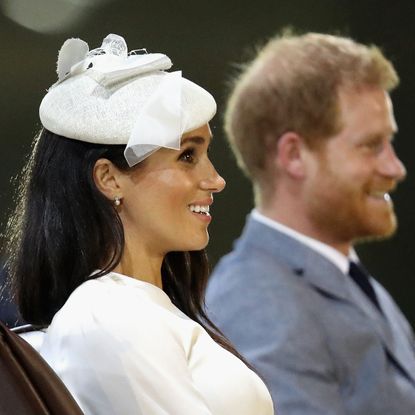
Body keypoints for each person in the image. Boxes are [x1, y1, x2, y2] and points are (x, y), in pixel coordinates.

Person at [4, 34, 274, 415]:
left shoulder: (140, 308)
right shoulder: (106, 314)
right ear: (109, 179)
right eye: (187, 156)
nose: (216, 179)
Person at [206, 32, 415, 414]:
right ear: (294, 155)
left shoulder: (341, 276)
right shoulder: (257, 301)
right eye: (371, 145)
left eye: (390, 143)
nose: (395, 168)